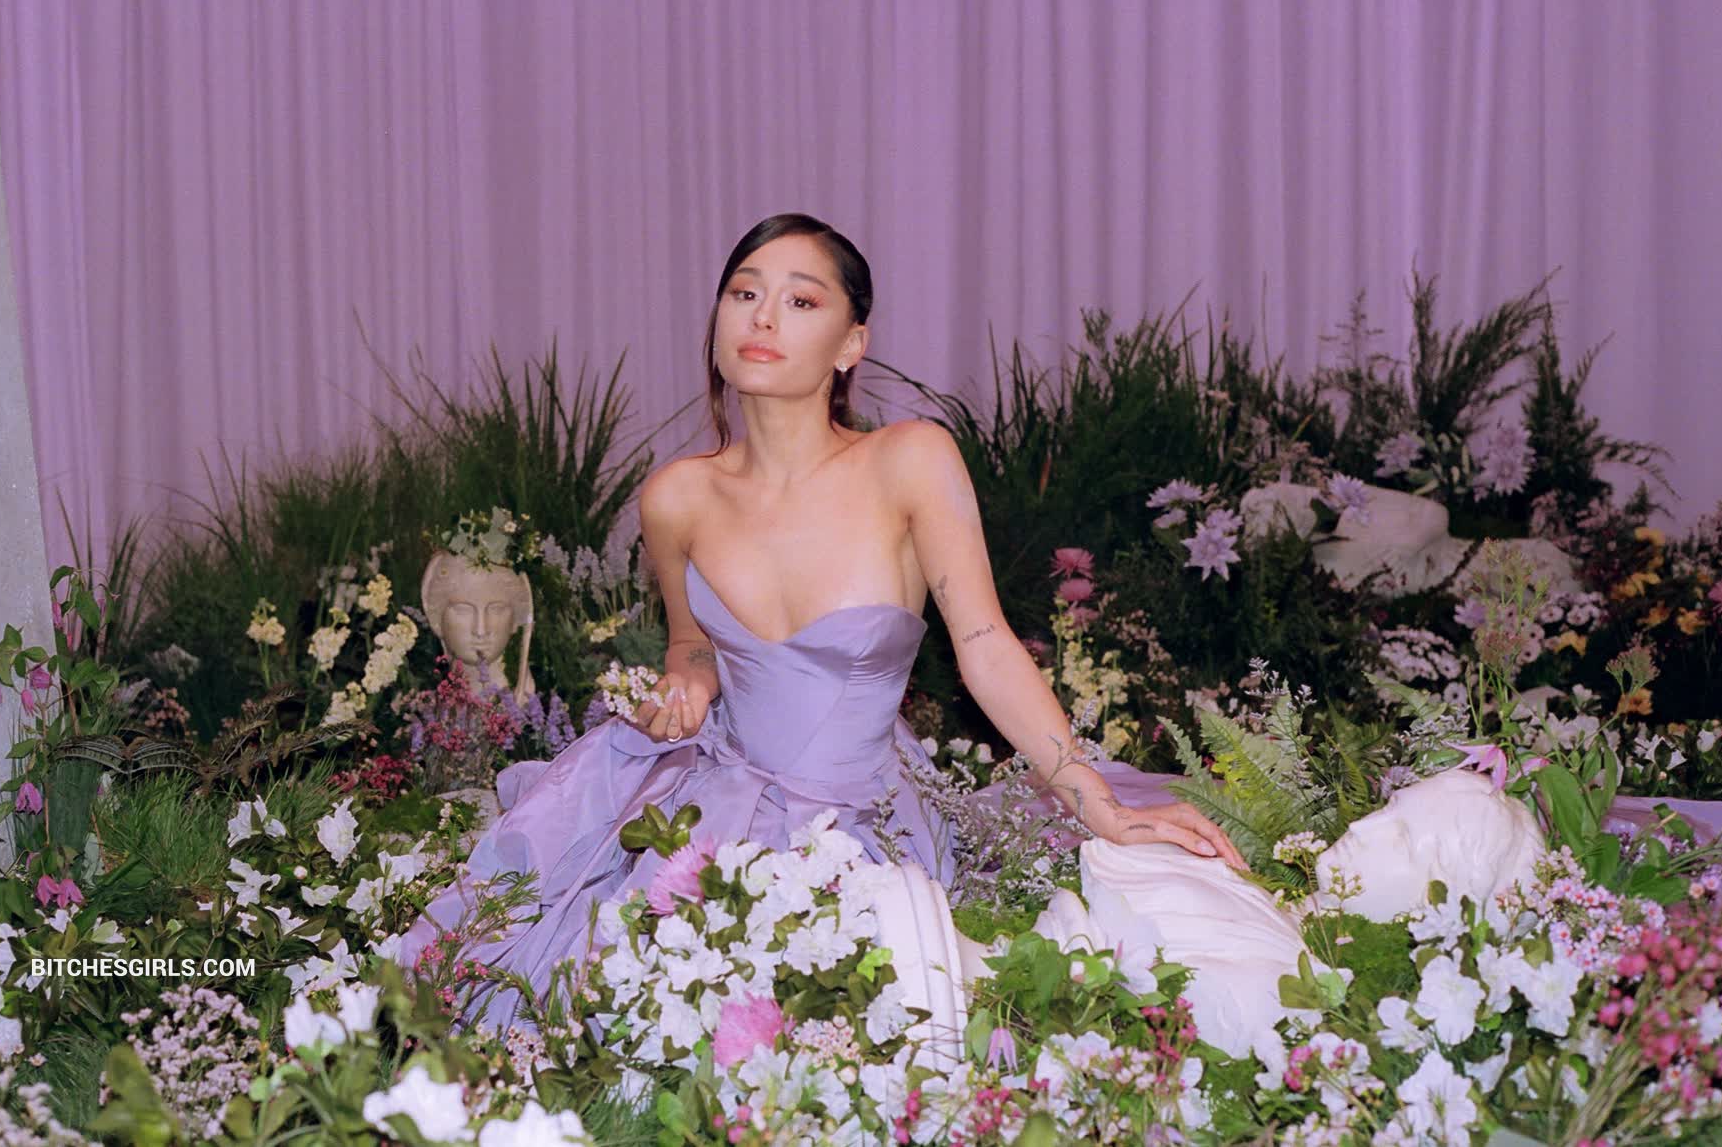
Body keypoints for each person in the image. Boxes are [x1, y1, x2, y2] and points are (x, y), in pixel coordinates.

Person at [397, 212, 1243, 1029]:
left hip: (865, 816)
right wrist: (686, 687)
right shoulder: (677, 496)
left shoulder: (909, 459)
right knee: (610, 997)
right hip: (713, 799)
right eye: (745, 293)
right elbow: (692, 644)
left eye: (801, 300)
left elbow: (984, 645)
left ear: (850, 343)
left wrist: (1099, 804)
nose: (763, 317)